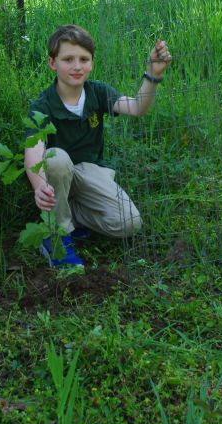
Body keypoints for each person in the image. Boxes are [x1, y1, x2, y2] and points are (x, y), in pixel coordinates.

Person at [24, 24, 172, 268]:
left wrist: (153, 74)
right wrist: (39, 185)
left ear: (92, 63)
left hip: (90, 171)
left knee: (129, 223)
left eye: (84, 59)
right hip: (57, 175)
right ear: (52, 63)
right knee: (55, 158)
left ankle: (70, 215)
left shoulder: (98, 92)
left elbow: (137, 107)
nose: (77, 66)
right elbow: (33, 151)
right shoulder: (43, 105)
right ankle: (56, 236)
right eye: (68, 59)